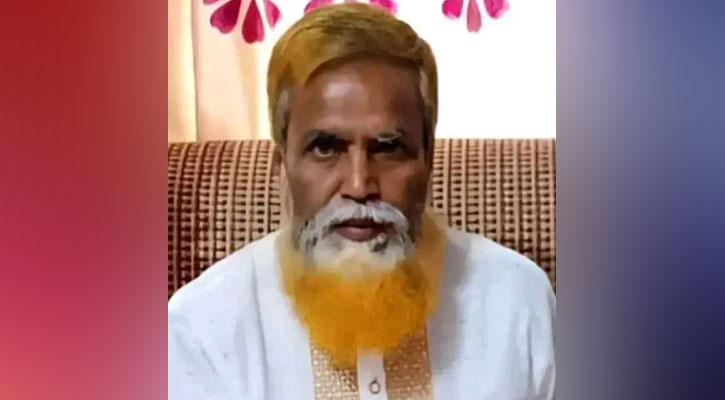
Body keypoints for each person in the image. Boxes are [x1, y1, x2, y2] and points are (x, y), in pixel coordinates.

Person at [168, 3, 555, 399]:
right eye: (325, 148)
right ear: (282, 163)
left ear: (428, 158)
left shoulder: (516, 300)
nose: (359, 184)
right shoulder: (203, 329)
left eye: (388, 148)